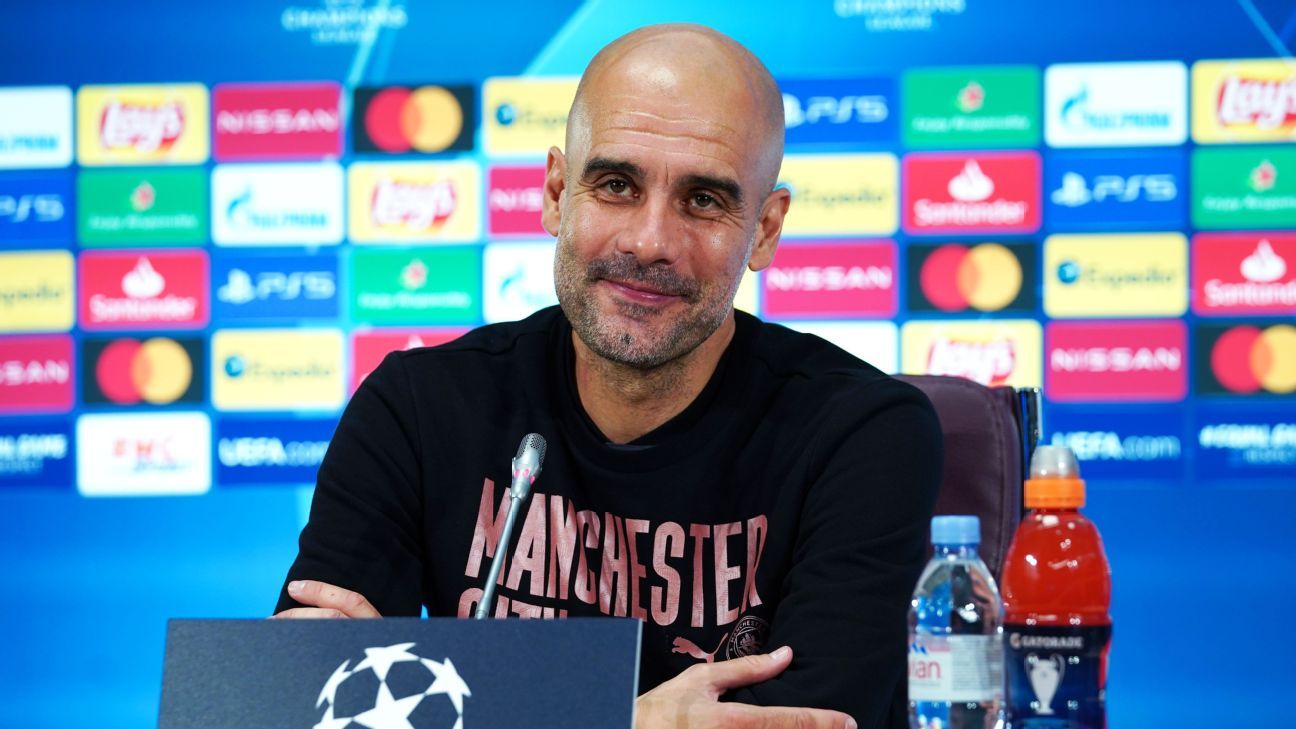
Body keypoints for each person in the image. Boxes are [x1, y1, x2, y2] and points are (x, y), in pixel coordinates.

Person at [275, 23, 942, 729]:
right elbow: (306, 701)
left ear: (766, 229)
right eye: (617, 185)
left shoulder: (863, 434)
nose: (650, 242)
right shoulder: (416, 408)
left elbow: (812, 723)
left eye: (704, 200)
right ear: (557, 192)